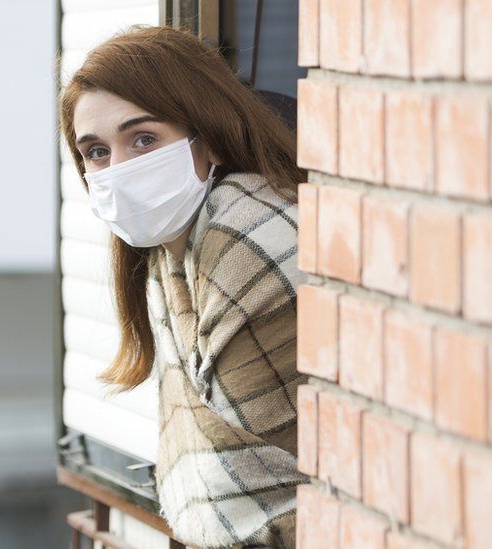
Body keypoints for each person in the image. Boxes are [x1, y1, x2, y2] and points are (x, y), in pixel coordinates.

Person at [58, 24, 310, 548]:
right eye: (97, 152)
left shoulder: (244, 239)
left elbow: (285, 474)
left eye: (144, 139)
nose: (119, 169)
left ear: (209, 138)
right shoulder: (176, 249)